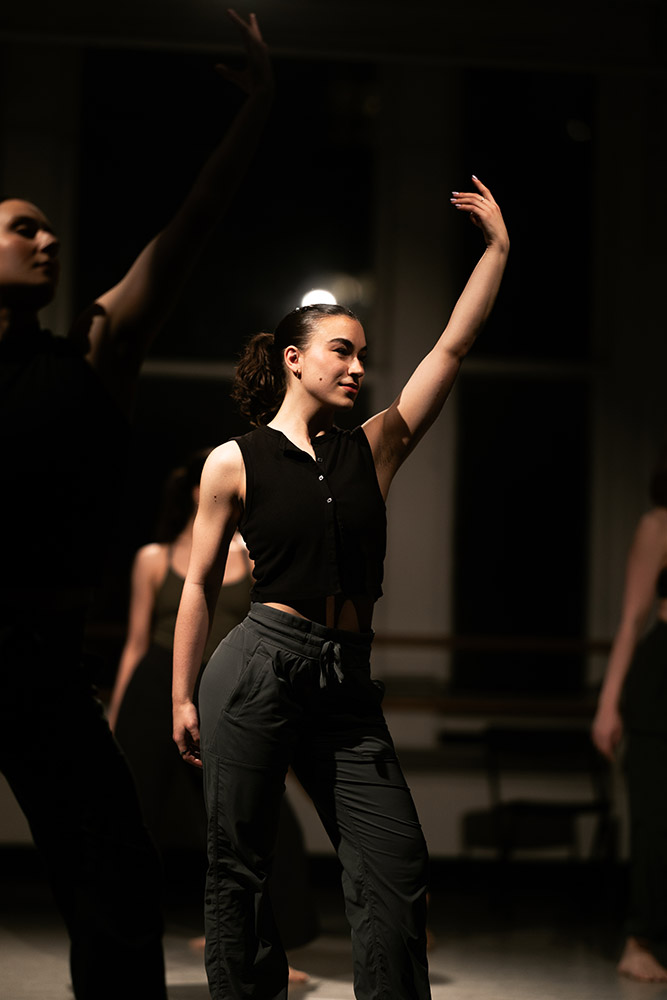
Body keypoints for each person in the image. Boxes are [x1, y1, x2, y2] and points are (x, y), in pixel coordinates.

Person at [173, 176, 509, 999]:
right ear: (294, 359)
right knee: (240, 871)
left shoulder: (373, 449)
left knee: (394, 868)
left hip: (345, 676)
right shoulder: (235, 460)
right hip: (257, 664)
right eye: (341, 351)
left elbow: (451, 350)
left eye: (364, 355)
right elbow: (195, 587)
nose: (359, 366)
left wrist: (498, 249)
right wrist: (180, 694)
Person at [0, 12, 273, 1000]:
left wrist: (257, 111)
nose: (49, 236)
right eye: (20, 226)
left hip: (39, 659)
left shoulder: (93, 354)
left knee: (113, 881)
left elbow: (190, 223)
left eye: (48, 224)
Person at [109, 450, 317, 981]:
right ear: (194, 490)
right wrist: (114, 712)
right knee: (131, 819)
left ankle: (268, 940)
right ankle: (121, 946)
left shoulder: (249, 554)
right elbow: (135, 643)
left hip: (222, 686)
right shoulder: (153, 557)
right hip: (155, 684)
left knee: (254, 814)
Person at [592, 450, 667, 982]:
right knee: (656, 820)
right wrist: (609, 701)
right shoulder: (658, 524)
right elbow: (631, 619)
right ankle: (639, 939)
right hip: (661, 678)